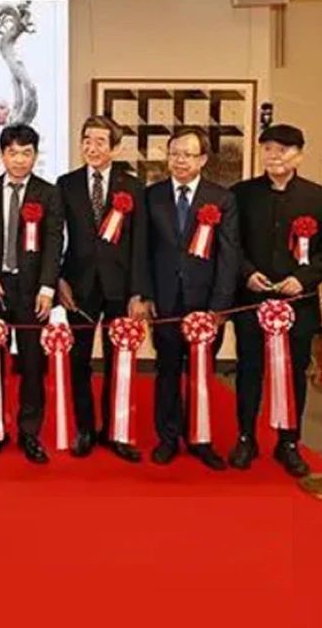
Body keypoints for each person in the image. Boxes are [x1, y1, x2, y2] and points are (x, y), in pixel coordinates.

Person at [230, 124, 322, 477]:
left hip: (298, 304)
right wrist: (247, 273)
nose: (274, 156)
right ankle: (246, 437)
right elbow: (231, 245)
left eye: (283, 150)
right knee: (249, 370)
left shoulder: (321, 199)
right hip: (252, 300)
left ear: (299, 155)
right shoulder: (241, 194)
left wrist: (302, 279)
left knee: (294, 372)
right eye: (268, 149)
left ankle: (289, 442)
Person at [57, 116, 150, 462]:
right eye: (87, 140)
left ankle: (116, 430)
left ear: (115, 147)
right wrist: (59, 280)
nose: (91, 147)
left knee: (118, 360)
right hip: (78, 286)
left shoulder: (133, 186)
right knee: (78, 360)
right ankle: (84, 428)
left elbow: (140, 244)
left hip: (119, 287)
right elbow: (55, 238)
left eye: (100, 141)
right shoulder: (66, 184)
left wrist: (138, 292)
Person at [0, 123, 63, 464]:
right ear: (1, 155)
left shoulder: (48, 193)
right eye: (13, 153)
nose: (20, 160)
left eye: (26, 153)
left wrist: (47, 288)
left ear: (35, 155)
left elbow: (54, 243)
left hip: (33, 291)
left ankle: (29, 432)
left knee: (33, 365)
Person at [145, 126, 237, 469]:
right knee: (167, 371)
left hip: (205, 304)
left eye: (187, 154)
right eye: (174, 154)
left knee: (201, 373)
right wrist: (146, 295)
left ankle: (201, 439)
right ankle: (167, 438)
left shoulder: (222, 198)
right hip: (166, 301)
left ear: (203, 159)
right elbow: (143, 251)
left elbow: (229, 256)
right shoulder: (152, 196)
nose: (180, 160)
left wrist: (220, 306)